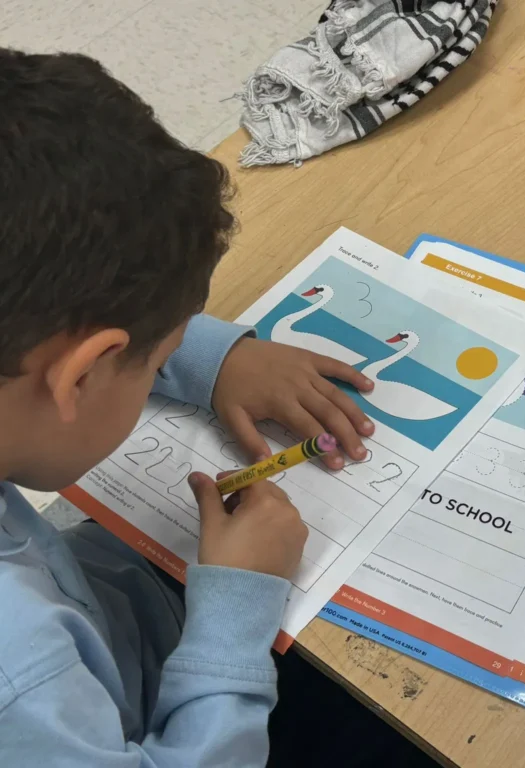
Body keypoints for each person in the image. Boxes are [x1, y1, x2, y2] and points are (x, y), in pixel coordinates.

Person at [0, 48, 378, 766]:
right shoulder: (18, 673)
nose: (162, 365)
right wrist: (237, 609)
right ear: (81, 374)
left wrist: (211, 357)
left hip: (104, 621)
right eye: (156, 358)